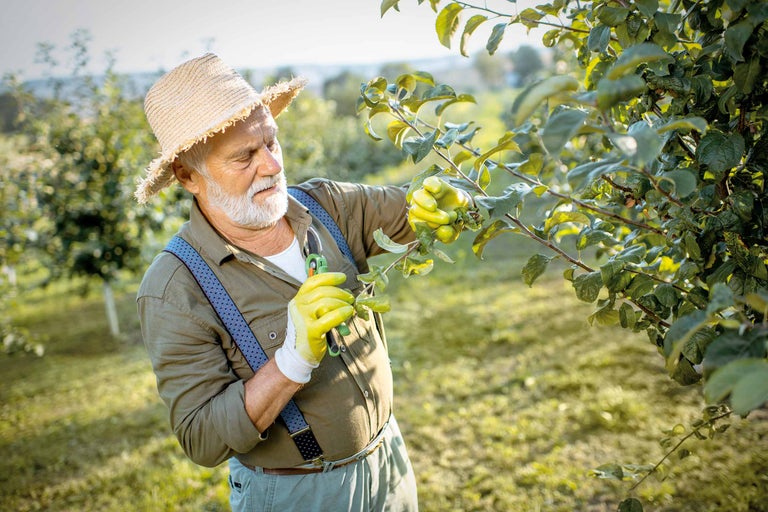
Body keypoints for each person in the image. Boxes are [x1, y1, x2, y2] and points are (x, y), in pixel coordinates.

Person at [135, 53, 469, 511]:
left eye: (271, 143)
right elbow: (202, 439)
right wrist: (292, 359)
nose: (271, 166)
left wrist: (449, 198)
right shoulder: (176, 287)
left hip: (388, 462)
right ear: (188, 176)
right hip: (299, 493)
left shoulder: (326, 206)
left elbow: (416, 209)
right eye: (244, 156)